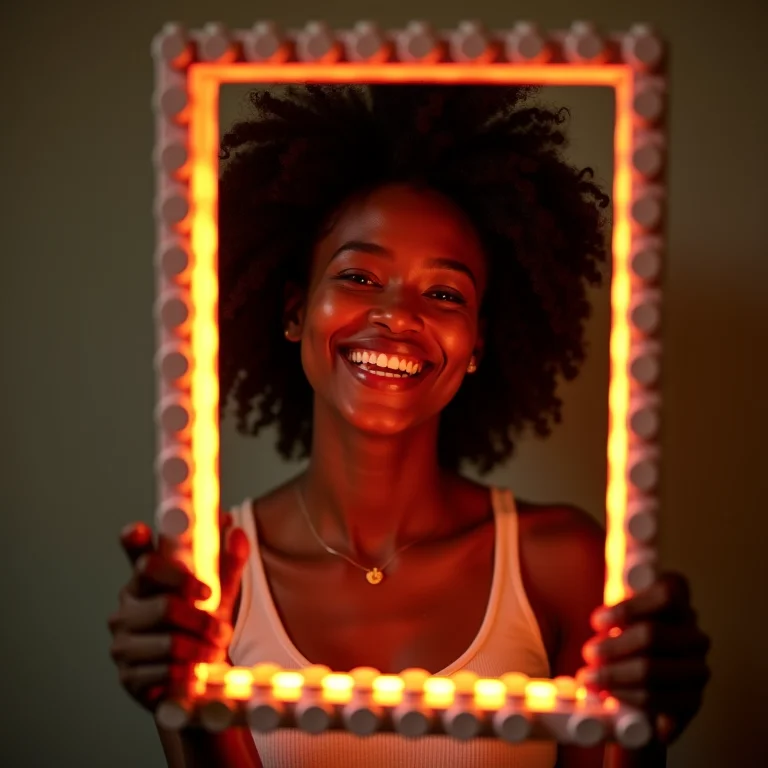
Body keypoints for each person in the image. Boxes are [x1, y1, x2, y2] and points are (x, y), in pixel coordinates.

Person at [108, 84, 711, 768]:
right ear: (293, 310)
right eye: (361, 277)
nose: (398, 315)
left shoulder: (564, 565)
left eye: (444, 292)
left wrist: (649, 728)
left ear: (478, 344)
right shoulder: (209, 579)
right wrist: (186, 698)